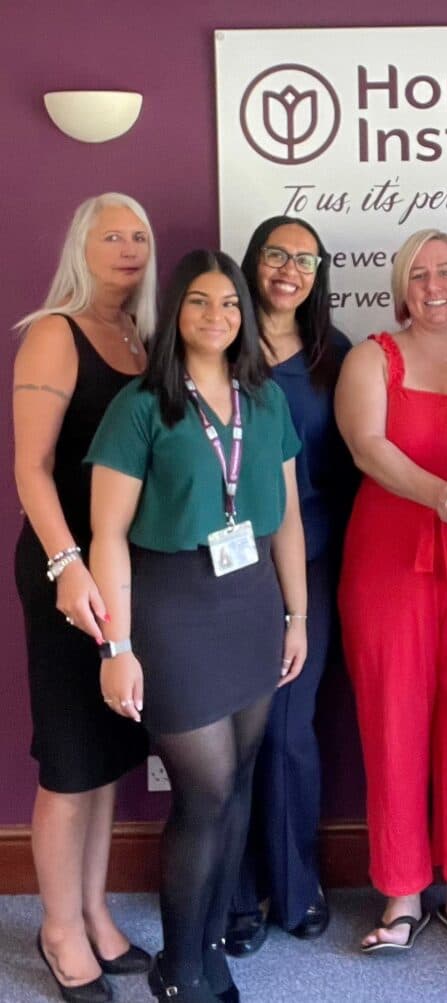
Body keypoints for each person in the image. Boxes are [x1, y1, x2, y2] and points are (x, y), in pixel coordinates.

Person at [87, 250, 308, 1003]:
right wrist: (117, 645)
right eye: (200, 302)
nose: (217, 316)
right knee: (204, 789)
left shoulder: (264, 400)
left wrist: (297, 615)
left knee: (239, 780)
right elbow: (107, 535)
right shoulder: (142, 405)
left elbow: (287, 521)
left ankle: (211, 947)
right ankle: (179, 967)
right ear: (175, 311)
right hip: (172, 609)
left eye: (230, 303)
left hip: (252, 607)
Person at [335, 228, 447, 954]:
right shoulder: (371, 358)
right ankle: (402, 888)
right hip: (389, 561)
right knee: (393, 718)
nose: (434, 286)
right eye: (418, 274)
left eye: (445, 272)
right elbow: (367, 447)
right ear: (401, 289)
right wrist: (435, 492)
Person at [13, 193, 156, 1003]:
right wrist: (67, 565)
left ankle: (95, 909)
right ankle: (58, 927)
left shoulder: (139, 336)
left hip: (121, 570)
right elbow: (31, 467)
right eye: (112, 235)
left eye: (139, 235)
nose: (128, 247)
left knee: (107, 753)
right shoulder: (54, 332)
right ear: (82, 245)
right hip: (65, 569)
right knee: (71, 759)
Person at [224, 216, 357, 955]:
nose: (290, 270)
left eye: (306, 260)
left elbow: (351, 463)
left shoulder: (333, 355)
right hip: (223, 569)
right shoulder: (215, 337)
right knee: (229, 732)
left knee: (287, 727)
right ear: (253, 261)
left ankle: (295, 883)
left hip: (310, 557)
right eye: (277, 254)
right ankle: (236, 893)